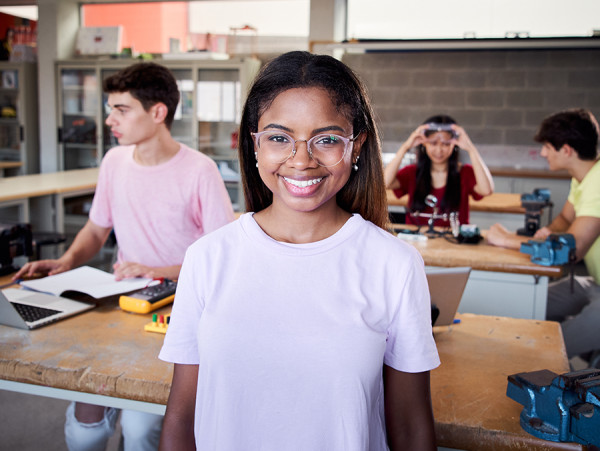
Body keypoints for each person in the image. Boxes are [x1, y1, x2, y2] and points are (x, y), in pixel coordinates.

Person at [158, 51, 440, 450]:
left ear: (356, 146)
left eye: (326, 139)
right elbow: (182, 415)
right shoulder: (208, 257)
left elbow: (411, 427)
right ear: (254, 145)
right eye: (279, 138)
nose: (302, 160)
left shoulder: (394, 264)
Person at [13, 62, 235, 450]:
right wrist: (66, 261)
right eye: (109, 107)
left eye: (121, 109)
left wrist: (157, 270)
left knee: (140, 429)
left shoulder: (200, 171)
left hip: (175, 310)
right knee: (86, 427)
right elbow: (97, 229)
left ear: (158, 112)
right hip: (118, 305)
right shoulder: (114, 161)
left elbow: (222, 261)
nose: (109, 118)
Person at [487, 108, 600, 362]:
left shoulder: (598, 182)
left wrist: (507, 240)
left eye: (548, 147)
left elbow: (571, 250)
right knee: (530, 304)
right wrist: (549, 231)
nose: (542, 153)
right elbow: (565, 220)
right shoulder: (583, 177)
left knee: (547, 350)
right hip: (594, 283)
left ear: (567, 150)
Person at [384, 115, 494, 227]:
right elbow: (384, 183)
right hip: (417, 240)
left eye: (446, 144)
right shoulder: (412, 172)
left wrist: (471, 148)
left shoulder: (464, 172)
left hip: (454, 242)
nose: (439, 150)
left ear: (454, 145)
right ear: (424, 143)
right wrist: (405, 147)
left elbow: (486, 190)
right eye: (433, 143)